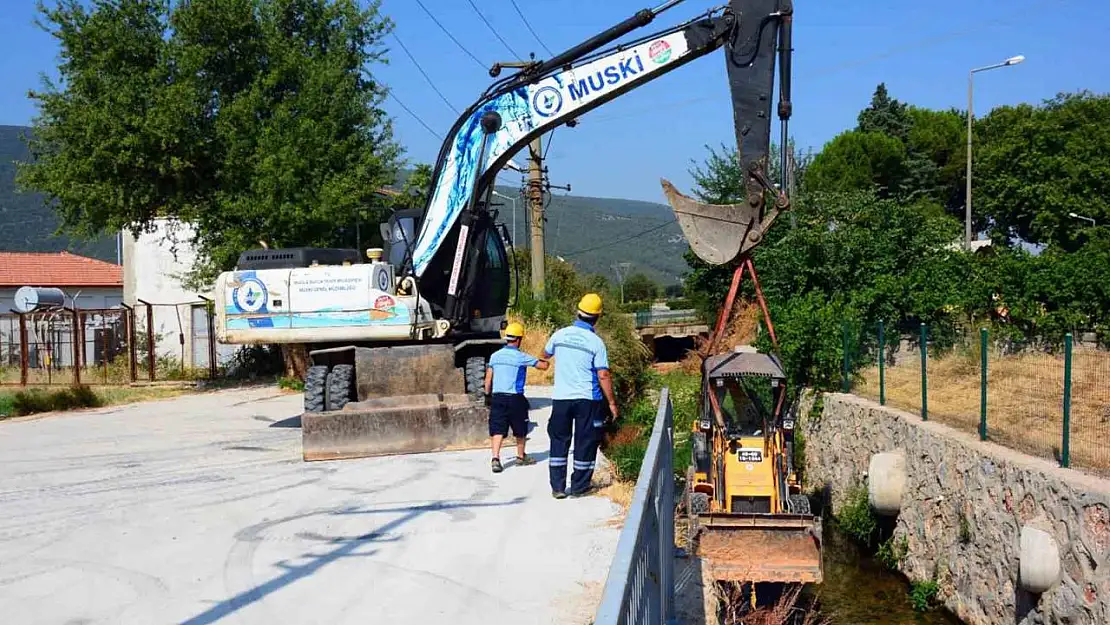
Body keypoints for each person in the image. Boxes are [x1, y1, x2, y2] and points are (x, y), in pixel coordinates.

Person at [542, 293, 620, 499]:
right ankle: (579, 487)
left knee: (559, 439)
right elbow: (603, 374)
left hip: (561, 398)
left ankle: (557, 487)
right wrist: (611, 403)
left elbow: (545, 354)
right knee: (585, 441)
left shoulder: (559, 335)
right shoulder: (596, 342)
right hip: (588, 399)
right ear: (597, 318)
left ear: (578, 312)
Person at [484, 321, 549, 473]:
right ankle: (520, 457)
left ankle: (495, 458)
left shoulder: (495, 356)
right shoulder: (521, 357)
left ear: (507, 338)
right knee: (520, 428)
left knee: (498, 428)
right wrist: (546, 357)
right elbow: (543, 366)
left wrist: (487, 396)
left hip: (498, 397)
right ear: (519, 339)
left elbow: (488, 379)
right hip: (515, 398)